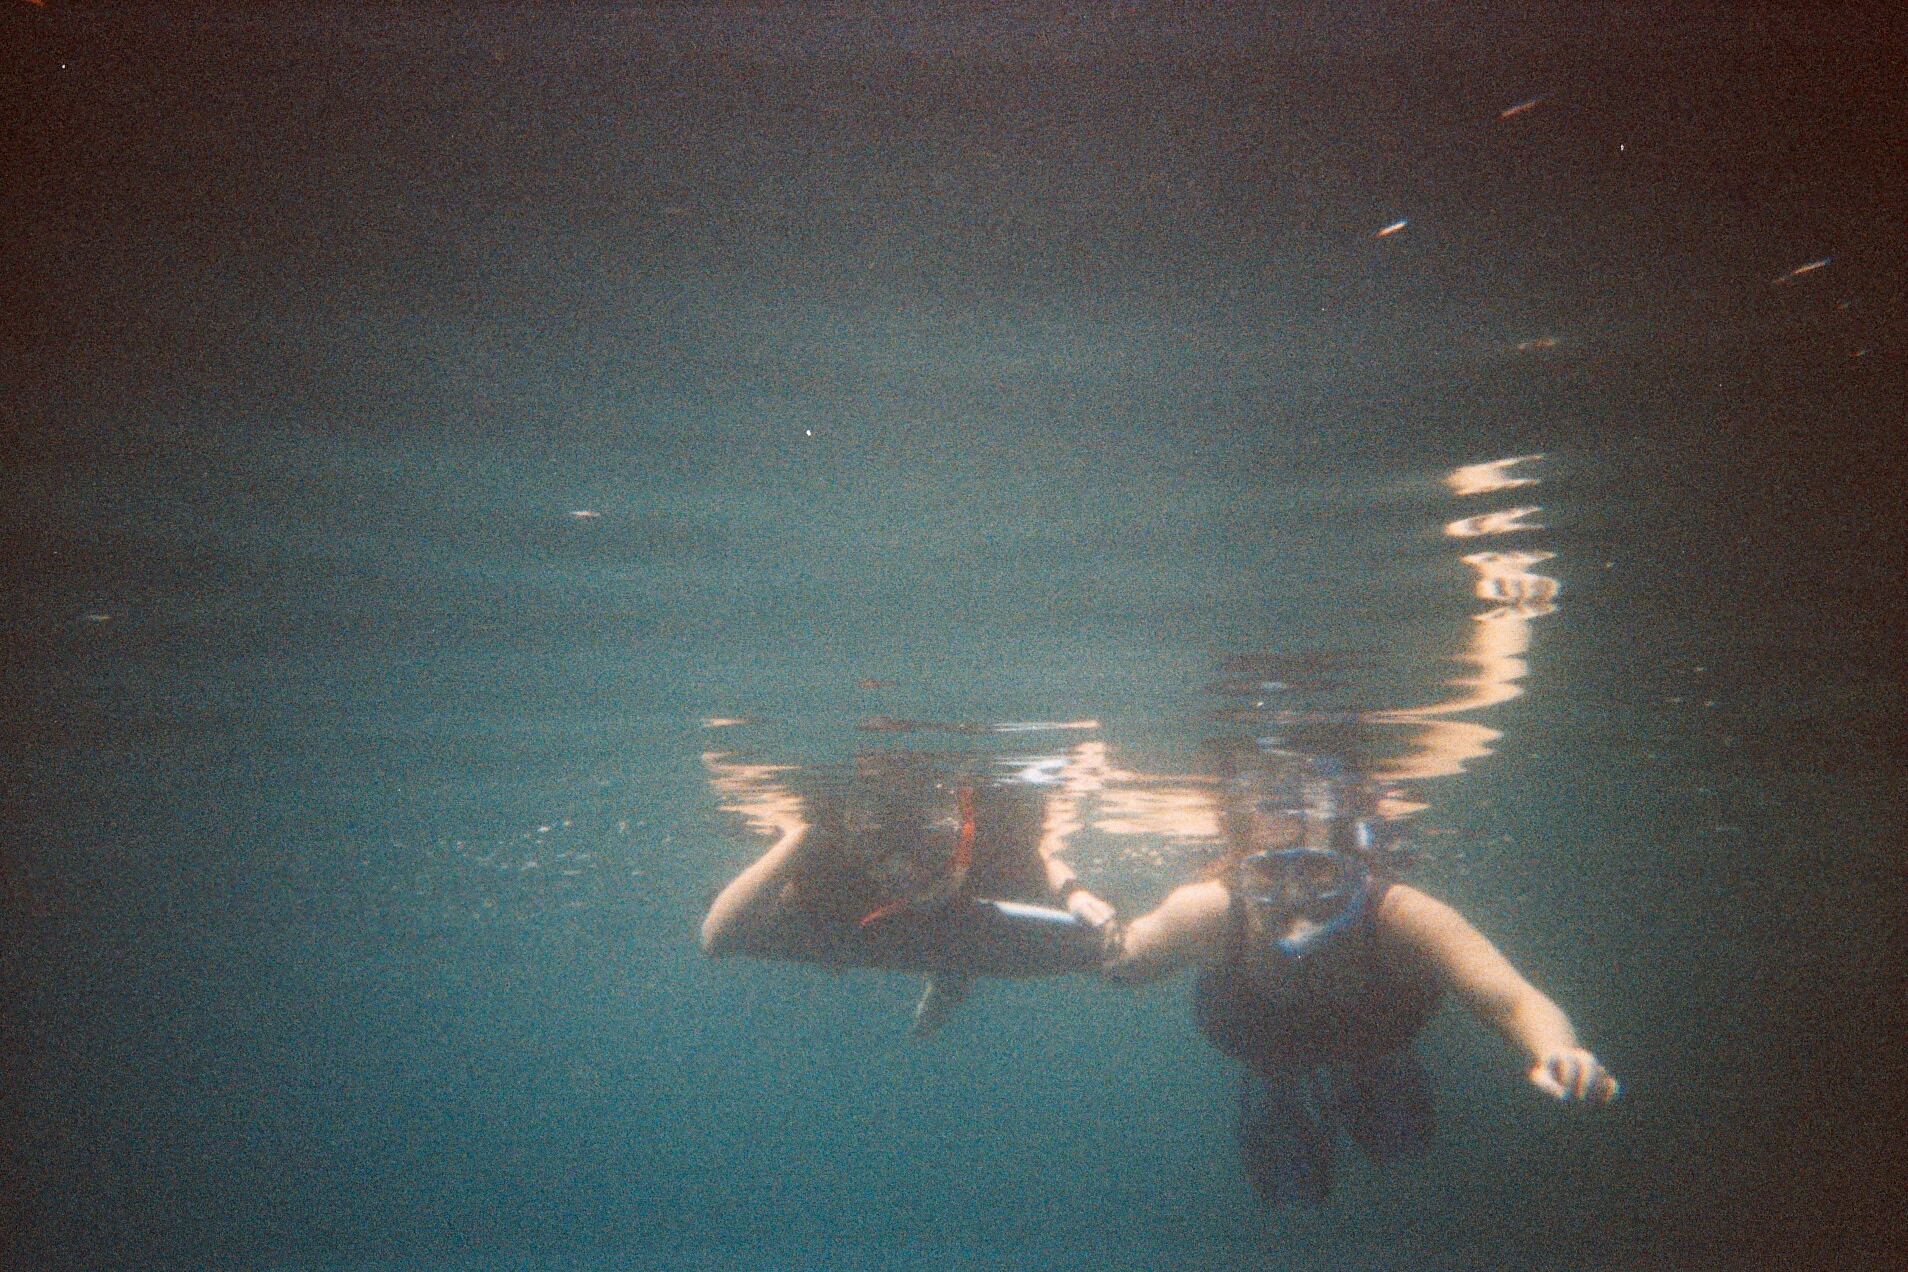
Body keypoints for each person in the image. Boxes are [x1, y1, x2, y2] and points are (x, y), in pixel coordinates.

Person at [1044, 736, 1620, 1205]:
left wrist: (1557, 1051)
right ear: (1241, 871)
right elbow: (1122, 957)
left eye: (1320, 874)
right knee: (1301, 1181)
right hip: (1268, 1041)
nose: (1293, 898)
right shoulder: (1208, 908)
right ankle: (1284, 1085)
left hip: (1369, 1035)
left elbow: (1510, 998)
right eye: (1269, 875)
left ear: (1356, 871)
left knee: (1403, 1146)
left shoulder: (1398, 913)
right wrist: (1087, 920)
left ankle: (1319, 1082)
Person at [700, 749, 1105, 1033]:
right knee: (946, 919)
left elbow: (1034, 852)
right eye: (886, 859)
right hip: (835, 904)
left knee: (956, 920)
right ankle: (947, 975)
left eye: (923, 859)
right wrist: (800, 837)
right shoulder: (826, 862)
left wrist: (1073, 892)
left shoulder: (974, 845)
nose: (906, 876)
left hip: (940, 912)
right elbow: (715, 937)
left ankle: (948, 978)